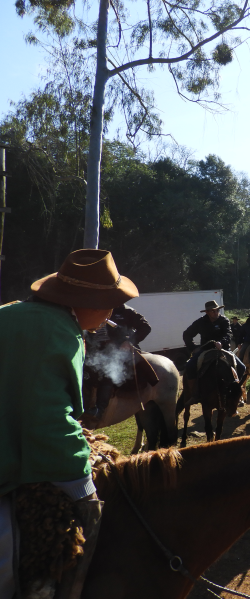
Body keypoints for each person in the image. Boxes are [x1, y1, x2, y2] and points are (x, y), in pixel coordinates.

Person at [0, 249, 139, 597]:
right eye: (109, 304)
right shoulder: (61, 331)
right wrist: (82, 484)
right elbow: (48, 421)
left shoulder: (10, 313)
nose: (111, 313)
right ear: (87, 301)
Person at [84, 303, 152, 420]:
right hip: (95, 352)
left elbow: (145, 327)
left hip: (118, 352)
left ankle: (99, 410)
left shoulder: (126, 311)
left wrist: (129, 342)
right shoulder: (96, 309)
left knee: (108, 372)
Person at [182, 300, 234, 405]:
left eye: (217, 310)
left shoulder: (224, 320)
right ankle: (194, 394)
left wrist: (221, 342)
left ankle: (236, 393)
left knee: (242, 367)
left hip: (223, 349)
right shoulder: (200, 322)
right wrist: (193, 348)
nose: (216, 313)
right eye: (213, 311)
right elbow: (187, 334)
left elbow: (228, 334)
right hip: (205, 350)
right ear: (207, 312)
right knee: (189, 366)